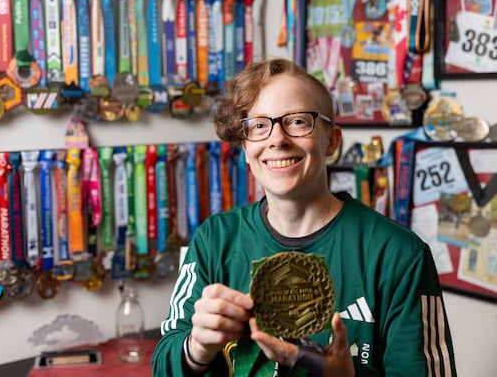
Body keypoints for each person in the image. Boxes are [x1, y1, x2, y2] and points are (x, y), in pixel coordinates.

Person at [151, 58, 457, 376]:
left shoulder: (399, 255)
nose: (277, 139)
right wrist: (196, 349)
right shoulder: (215, 239)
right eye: (258, 125)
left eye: (297, 121)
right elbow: (162, 365)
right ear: (245, 147)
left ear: (332, 141)